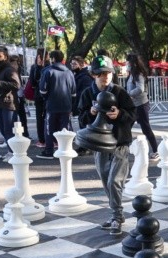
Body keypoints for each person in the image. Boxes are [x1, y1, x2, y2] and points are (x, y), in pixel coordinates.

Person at [77, 55, 137, 235]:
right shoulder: (88, 94)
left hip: (119, 142)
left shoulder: (119, 92)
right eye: (101, 74)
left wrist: (119, 114)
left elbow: (132, 115)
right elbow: (81, 118)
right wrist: (90, 112)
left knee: (114, 181)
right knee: (105, 179)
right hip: (99, 145)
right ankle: (114, 214)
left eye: (108, 73)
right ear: (93, 75)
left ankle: (118, 216)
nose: (105, 77)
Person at [38, 50, 76, 159]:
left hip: (52, 105)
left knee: (50, 129)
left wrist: (47, 98)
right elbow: (73, 92)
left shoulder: (48, 71)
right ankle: (65, 148)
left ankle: (49, 150)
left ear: (53, 59)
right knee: (65, 128)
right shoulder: (69, 72)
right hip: (66, 105)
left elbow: (43, 90)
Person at [125, 53, 159, 160]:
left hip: (141, 105)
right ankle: (123, 149)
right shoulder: (131, 74)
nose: (127, 65)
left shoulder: (138, 74)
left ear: (133, 64)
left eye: (128, 63)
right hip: (133, 105)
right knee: (126, 127)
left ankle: (156, 150)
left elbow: (140, 88)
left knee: (146, 128)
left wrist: (129, 94)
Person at [0, 47, 20, 161]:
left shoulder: (9, 69)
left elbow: (16, 85)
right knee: (3, 129)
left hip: (8, 103)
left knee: (8, 129)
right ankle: (10, 150)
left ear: (5, 57)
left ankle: (13, 152)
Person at [29, 49, 48, 148]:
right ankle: (41, 138)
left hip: (47, 96)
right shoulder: (34, 67)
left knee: (47, 117)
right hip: (38, 96)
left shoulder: (49, 67)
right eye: (38, 56)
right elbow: (32, 82)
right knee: (39, 117)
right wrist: (39, 67)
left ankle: (48, 138)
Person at [11, 54, 31, 140]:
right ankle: (13, 136)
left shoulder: (19, 71)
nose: (16, 65)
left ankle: (25, 134)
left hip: (20, 96)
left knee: (23, 117)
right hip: (12, 97)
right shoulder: (9, 72)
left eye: (17, 63)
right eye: (14, 63)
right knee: (13, 118)